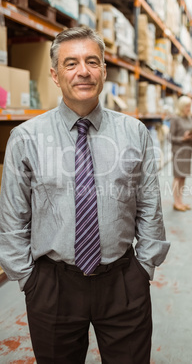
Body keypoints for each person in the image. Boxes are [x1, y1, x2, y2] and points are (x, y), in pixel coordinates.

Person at [0, 27, 170, 364]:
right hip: (52, 285)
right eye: (71, 63)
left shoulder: (133, 132)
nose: (83, 71)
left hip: (123, 281)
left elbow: (150, 206)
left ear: (104, 71)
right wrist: (28, 280)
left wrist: (143, 268)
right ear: (54, 74)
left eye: (93, 61)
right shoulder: (26, 138)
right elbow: (13, 218)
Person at [169, 95, 192, 212]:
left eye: (190, 106)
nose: (189, 108)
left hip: (188, 151)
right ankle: (176, 202)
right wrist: (183, 138)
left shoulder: (189, 118)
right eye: (187, 106)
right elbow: (170, 137)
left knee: (183, 177)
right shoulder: (175, 119)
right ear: (181, 107)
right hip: (179, 151)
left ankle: (180, 201)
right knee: (177, 177)